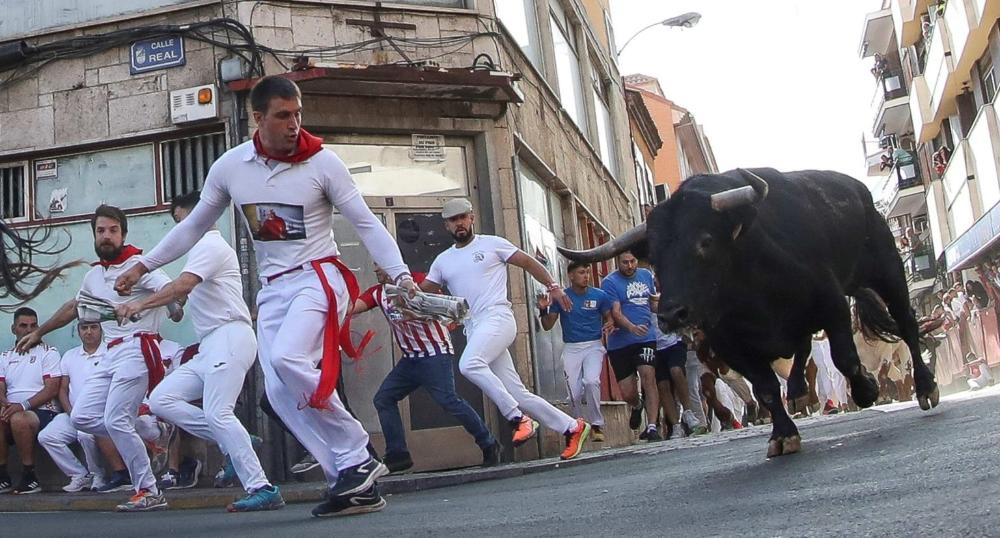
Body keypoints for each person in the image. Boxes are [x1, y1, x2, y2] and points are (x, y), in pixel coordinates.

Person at [113, 76, 419, 518]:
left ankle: (358, 454)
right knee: (277, 393)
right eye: (283, 115)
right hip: (274, 290)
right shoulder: (231, 167)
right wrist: (143, 265)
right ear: (258, 119)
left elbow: (367, 222)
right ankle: (350, 483)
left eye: (298, 114)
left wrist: (400, 274)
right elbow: (194, 225)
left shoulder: (324, 164)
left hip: (320, 276)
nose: (294, 124)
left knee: (289, 359)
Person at [117, 191, 284, 512]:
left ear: (201, 218)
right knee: (162, 399)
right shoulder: (198, 251)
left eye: (182, 221)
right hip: (211, 345)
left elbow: (181, 286)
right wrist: (159, 305)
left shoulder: (210, 246)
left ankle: (262, 486)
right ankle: (237, 441)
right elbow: (180, 296)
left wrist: (139, 302)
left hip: (230, 338)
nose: (180, 229)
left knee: (218, 412)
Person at [17, 205, 180, 511]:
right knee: (82, 417)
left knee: (116, 420)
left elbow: (173, 292)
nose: (106, 236)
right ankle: (150, 431)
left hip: (137, 348)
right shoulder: (94, 275)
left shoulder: (139, 265)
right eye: (101, 230)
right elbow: (74, 308)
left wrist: (144, 306)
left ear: (123, 233)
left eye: (113, 230)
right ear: (94, 235)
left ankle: (148, 489)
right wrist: (40, 333)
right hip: (110, 353)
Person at [421, 198, 591, 460]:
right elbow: (425, 294)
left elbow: (529, 263)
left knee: (469, 364)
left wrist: (553, 287)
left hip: (498, 317)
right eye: (453, 220)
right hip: (474, 326)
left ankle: (517, 418)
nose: (460, 224)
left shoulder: (492, 243)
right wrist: (403, 292)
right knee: (516, 392)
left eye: (463, 217)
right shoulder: (443, 261)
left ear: (472, 217)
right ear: (446, 225)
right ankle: (571, 426)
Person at [357, 264, 500, 472]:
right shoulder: (378, 293)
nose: (375, 270)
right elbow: (353, 307)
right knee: (384, 398)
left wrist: (416, 314)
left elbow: (445, 311)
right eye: (375, 266)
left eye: (379, 265)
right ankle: (398, 454)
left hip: (434, 354)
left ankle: (488, 443)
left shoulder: (419, 280)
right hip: (411, 359)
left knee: (448, 401)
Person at [538, 261, 614, 442]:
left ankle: (596, 425)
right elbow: (548, 326)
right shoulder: (562, 297)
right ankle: (576, 426)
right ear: (571, 276)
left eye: (587, 272)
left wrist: (610, 323)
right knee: (574, 391)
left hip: (593, 346)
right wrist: (542, 309)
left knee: (591, 381)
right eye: (581, 272)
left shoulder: (599, 296)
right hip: (572, 348)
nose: (586, 276)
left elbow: (609, 317)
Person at [38, 321, 107, 492]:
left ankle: (98, 475)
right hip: (73, 413)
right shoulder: (70, 355)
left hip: (101, 415)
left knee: (85, 434)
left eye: (93, 327)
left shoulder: (110, 353)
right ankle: (79, 475)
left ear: (101, 329)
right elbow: (62, 390)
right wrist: (71, 412)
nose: (89, 332)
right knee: (47, 436)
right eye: (84, 328)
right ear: (78, 331)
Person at [601, 251, 662, 441]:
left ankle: (652, 426)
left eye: (633, 261)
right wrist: (631, 328)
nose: (629, 266)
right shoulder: (610, 282)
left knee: (648, 377)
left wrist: (662, 305)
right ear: (617, 262)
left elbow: (652, 304)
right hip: (620, 342)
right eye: (625, 262)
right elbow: (616, 313)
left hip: (646, 338)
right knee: (628, 393)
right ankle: (637, 405)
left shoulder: (646, 276)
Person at [0, 307, 61, 494]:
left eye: (33, 325)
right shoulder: (5, 356)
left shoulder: (49, 352)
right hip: (13, 409)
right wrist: (4, 402)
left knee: (20, 418)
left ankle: (30, 475)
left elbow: (52, 388)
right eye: (23, 325)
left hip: (42, 411)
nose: (29, 330)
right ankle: (3, 476)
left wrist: (22, 405)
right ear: (13, 329)